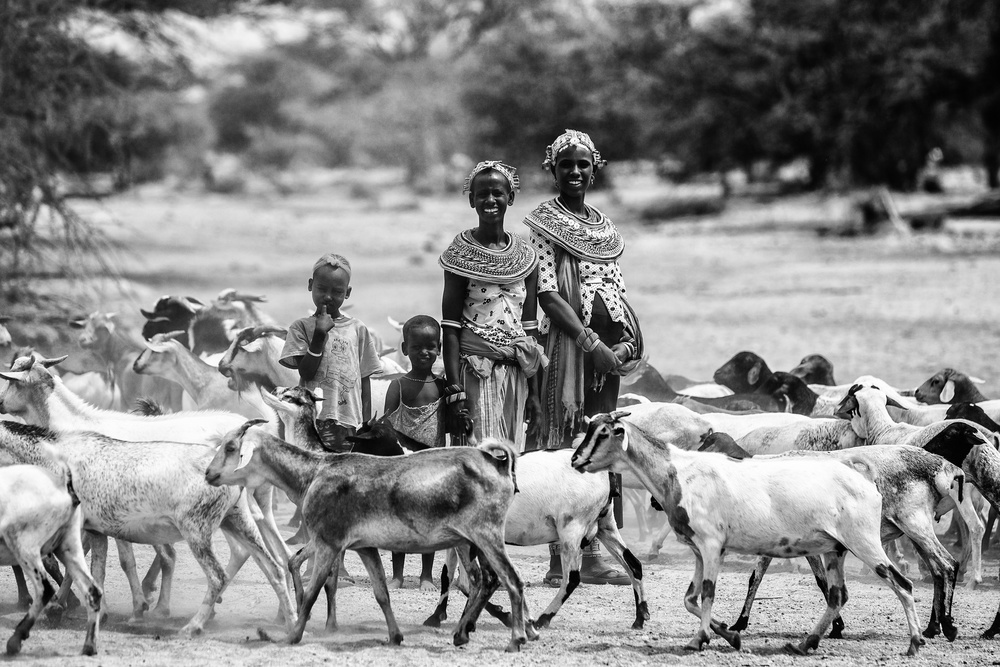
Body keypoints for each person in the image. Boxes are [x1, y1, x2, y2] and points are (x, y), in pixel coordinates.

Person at [524, 129, 644, 587]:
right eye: (565, 165)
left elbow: (617, 290)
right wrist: (589, 342)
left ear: (595, 167)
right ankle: (564, 558)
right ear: (552, 170)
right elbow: (548, 292)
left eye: (582, 164)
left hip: (606, 358)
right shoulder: (542, 223)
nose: (575, 172)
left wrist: (622, 346)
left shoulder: (604, 225)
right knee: (563, 444)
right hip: (568, 353)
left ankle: (597, 550)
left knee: (601, 443)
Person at [439, 160, 545, 452]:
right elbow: (449, 326)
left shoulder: (527, 257)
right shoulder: (461, 255)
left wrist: (534, 394)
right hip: (476, 370)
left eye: (497, 193)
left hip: (516, 374)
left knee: (513, 458)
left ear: (510, 197)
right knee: (480, 459)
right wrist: (454, 391)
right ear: (471, 199)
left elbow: (529, 330)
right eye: (482, 194)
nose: (490, 200)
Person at [279, 253, 382, 452]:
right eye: (321, 289)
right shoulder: (301, 328)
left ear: (347, 292)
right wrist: (319, 335)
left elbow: (365, 380)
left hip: (348, 423)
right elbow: (306, 373)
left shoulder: (358, 329)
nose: (328, 297)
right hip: (312, 421)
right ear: (310, 285)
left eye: (337, 291)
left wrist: (366, 424)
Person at [383, 314, 447, 590]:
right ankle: (397, 575)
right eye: (417, 347)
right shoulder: (398, 385)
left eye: (430, 347)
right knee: (399, 519)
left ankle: (426, 576)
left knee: (429, 521)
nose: (424, 352)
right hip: (403, 466)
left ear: (439, 349)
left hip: (433, 465)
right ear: (404, 349)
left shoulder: (443, 387)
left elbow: (449, 425)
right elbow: (386, 426)